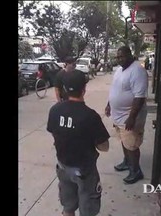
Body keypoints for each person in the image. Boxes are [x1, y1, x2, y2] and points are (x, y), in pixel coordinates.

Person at [47, 70, 110, 216]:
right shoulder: (90, 116)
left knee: (68, 207)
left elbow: (53, 132)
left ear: (64, 89)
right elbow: (104, 147)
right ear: (84, 89)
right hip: (85, 171)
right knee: (87, 210)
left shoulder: (55, 110)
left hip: (63, 167)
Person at [105, 46, 148, 184]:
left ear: (130, 55)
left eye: (122, 56)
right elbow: (115, 89)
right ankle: (127, 162)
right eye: (117, 57)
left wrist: (132, 117)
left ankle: (136, 171)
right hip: (118, 116)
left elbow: (139, 97)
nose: (119, 59)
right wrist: (109, 104)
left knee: (132, 145)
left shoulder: (137, 71)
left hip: (129, 116)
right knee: (124, 141)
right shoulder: (118, 70)